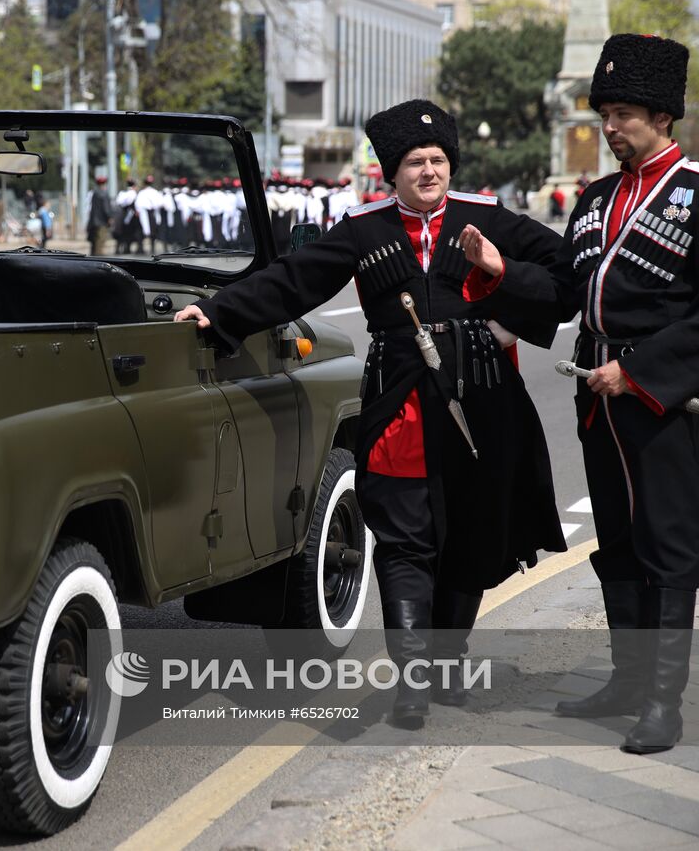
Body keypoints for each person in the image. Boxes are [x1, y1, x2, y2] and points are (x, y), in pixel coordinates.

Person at [174, 99, 567, 728]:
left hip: (484, 400)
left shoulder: (490, 218)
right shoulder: (363, 229)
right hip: (402, 402)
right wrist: (220, 312)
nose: (430, 171)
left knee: (471, 533)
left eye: (439, 159)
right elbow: (292, 280)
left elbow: (566, 278)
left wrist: (501, 274)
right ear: (393, 170)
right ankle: (413, 678)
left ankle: (447, 662)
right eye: (416, 162)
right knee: (405, 539)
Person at [545, 34, 699, 754]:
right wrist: (494, 270)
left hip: (665, 397)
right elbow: (565, 290)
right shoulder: (597, 196)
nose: (609, 127)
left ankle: (663, 703)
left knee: (667, 543)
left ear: (664, 115)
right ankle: (627, 681)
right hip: (596, 396)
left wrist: (639, 374)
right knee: (618, 538)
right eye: (605, 112)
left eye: (625, 113)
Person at [86, 175, 112, 256]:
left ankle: (93, 254)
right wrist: (109, 217)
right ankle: (99, 256)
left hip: (94, 221)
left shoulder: (94, 193)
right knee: (101, 240)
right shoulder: (104, 194)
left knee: (94, 239)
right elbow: (106, 208)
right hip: (102, 221)